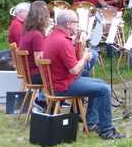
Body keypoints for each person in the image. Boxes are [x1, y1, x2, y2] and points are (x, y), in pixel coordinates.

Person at [43, 9, 126, 140]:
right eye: (76, 22)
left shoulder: (53, 36)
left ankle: (92, 122)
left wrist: (76, 46)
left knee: (100, 84)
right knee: (104, 89)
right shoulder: (63, 42)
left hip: (56, 82)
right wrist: (84, 58)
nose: (78, 25)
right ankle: (107, 130)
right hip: (63, 85)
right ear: (68, 24)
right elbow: (75, 70)